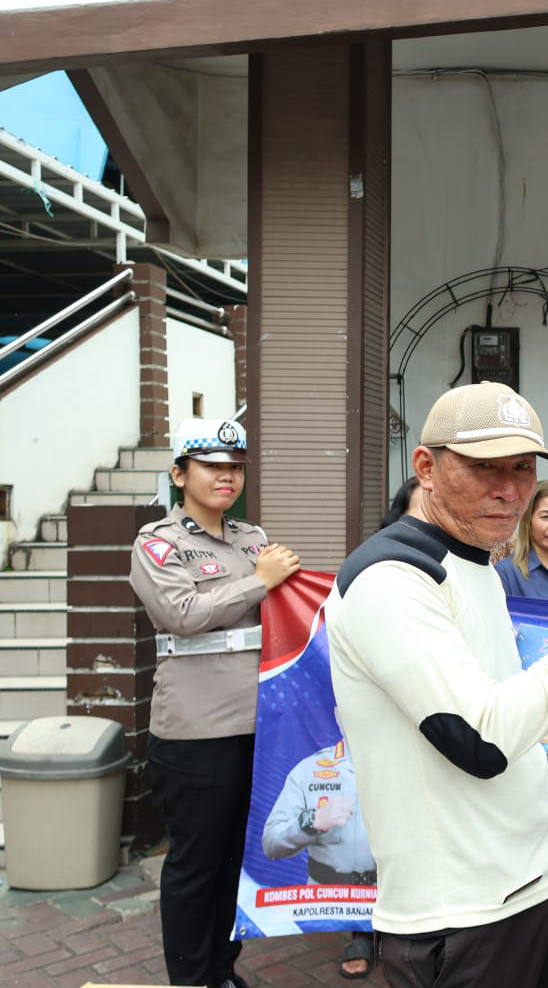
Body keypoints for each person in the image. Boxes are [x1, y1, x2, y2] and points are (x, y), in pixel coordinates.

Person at [325, 381, 548, 988]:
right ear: (426, 467)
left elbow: (512, 706)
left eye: (523, 467)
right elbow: (482, 740)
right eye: (483, 467)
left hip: (526, 888)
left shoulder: (474, 559)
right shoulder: (392, 577)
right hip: (461, 916)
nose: (509, 489)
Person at [129, 418, 300, 988]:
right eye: (211, 466)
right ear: (180, 475)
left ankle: (222, 971)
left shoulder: (252, 538)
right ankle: (191, 979)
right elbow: (181, 614)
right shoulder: (158, 543)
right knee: (195, 865)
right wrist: (259, 581)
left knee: (234, 861)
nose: (226, 477)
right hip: (195, 733)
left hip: (258, 728)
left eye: (235, 468)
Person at [261, 731, 376, 889]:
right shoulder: (308, 769)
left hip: (387, 897)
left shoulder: (401, 769)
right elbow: (271, 843)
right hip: (323, 897)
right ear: (338, 719)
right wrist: (313, 821)